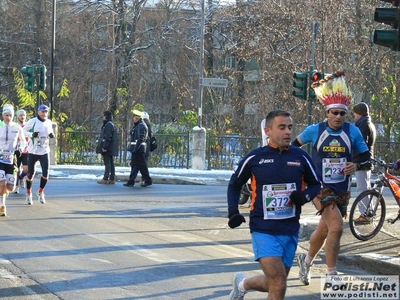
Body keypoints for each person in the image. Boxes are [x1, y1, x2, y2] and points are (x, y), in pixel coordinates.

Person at [226, 110, 321, 300]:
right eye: (282, 127)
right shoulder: (255, 158)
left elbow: (315, 184)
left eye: (290, 127)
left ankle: (242, 284)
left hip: (290, 229)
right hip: (263, 229)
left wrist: (305, 196)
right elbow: (234, 184)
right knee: (278, 282)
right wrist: (233, 212)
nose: (288, 132)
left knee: (276, 282)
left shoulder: (300, 157)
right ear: (267, 130)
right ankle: (243, 284)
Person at [292, 71, 370, 285]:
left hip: (341, 188)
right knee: (336, 227)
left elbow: (366, 157)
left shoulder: (352, 132)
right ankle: (332, 275)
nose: (338, 117)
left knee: (325, 228)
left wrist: (356, 165)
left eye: (342, 114)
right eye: (334, 113)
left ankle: (306, 260)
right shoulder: (314, 131)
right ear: (327, 113)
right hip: (319, 186)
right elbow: (292, 149)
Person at [23, 104, 55, 205]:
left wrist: (51, 134)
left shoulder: (49, 122)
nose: (44, 113)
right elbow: (23, 131)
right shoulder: (32, 121)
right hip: (33, 151)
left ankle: (40, 192)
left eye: (46, 111)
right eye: (42, 111)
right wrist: (31, 134)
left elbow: (50, 130)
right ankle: (28, 194)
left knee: (46, 174)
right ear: (38, 112)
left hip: (44, 151)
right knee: (30, 174)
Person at [0, 104, 26, 216]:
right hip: (0, 157)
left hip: (11, 159)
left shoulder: (17, 127)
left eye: (10, 115)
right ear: (3, 115)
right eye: (6, 115)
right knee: (2, 183)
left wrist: (20, 148)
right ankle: (2, 206)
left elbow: (24, 141)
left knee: (10, 187)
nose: (8, 118)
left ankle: (3, 192)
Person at [352, 102, 376, 222]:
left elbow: (361, 142)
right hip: (366, 159)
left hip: (362, 160)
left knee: (362, 188)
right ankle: (368, 211)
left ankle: (364, 214)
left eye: (355, 113)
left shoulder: (363, 124)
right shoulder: (368, 123)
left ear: (359, 113)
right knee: (365, 186)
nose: (354, 115)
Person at [123, 110, 152, 187]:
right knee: (135, 166)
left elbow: (141, 138)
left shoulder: (141, 125)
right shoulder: (138, 125)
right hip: (137, 149)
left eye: (135, 117)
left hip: (139, 150)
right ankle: (131, 180)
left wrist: (136, 149)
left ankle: (148, 180)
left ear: (138, 118)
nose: (133, 118)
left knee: (142, 166)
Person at [96, 110, 118, 184]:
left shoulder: (108, 125)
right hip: (110, 147)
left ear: (105, 116)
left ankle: (106, 178)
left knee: (107, 163)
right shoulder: (111, 124)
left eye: (103, 116)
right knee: (111, 163)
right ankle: (112, 178)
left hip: (108, 147)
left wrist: (104, 147)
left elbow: (107, 137)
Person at [13, 109, 29, 194]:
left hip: (26, 150)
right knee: (16, 168)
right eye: (20, 115)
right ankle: (16, 186)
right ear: (18, 116)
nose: (22, 117)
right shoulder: (15, 126)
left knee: (26, 169)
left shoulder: (28, 126)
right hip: (16, 150)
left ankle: (21, 177)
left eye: (23, 115)